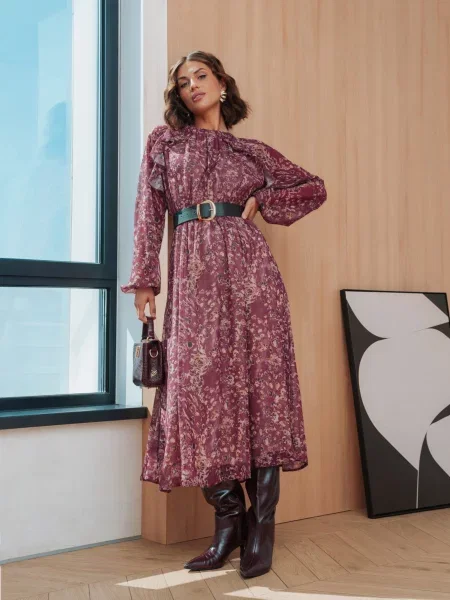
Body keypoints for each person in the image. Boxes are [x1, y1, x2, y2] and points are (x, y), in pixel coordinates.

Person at [121, 50, 327, 579]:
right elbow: (148, 212)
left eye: (201, 76)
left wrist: (263, 199)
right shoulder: (166, 144)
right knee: (197, 394)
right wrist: (145, 279)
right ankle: (228, 522)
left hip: (253, 280)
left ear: (222, 84)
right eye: (183, 82)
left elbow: (314, 187)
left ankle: (262, 527)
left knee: (262, 395)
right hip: (194, 280)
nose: (192, 85)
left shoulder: (250, 152)